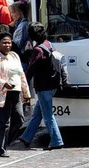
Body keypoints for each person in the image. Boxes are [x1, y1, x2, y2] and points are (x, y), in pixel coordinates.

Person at [0, 32, 30, 157]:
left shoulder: (15, 56)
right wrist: (3, 83)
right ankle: (1, 148)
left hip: (16, 93)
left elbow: (21, 75)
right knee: (3, 122)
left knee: (19, 120)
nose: (7, 45)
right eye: (4, 42)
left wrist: (26, 93)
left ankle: (1, 141)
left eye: (9, 42)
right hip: (1, 94)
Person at [19, 22, 64, 151]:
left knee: (48, 115)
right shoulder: (49, 45)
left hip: (43, 86)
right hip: (53, 84)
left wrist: (24, 84)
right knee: (37, 113)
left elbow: (31, 69)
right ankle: (26, 137)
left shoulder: (38, 50)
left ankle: (56, 140)